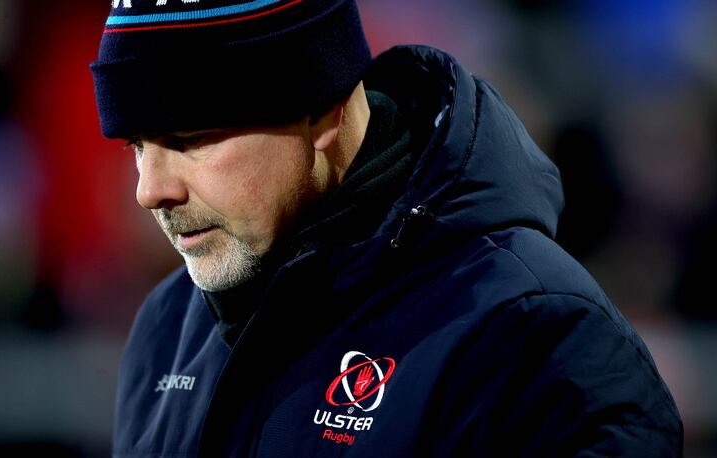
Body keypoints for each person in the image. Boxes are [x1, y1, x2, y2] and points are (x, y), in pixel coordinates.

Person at [90, 1, 683, 456]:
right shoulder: (168, 326)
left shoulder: (532, 335)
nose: (149, 190)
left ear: (324, 110)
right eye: (136, 145)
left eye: (189, 140)